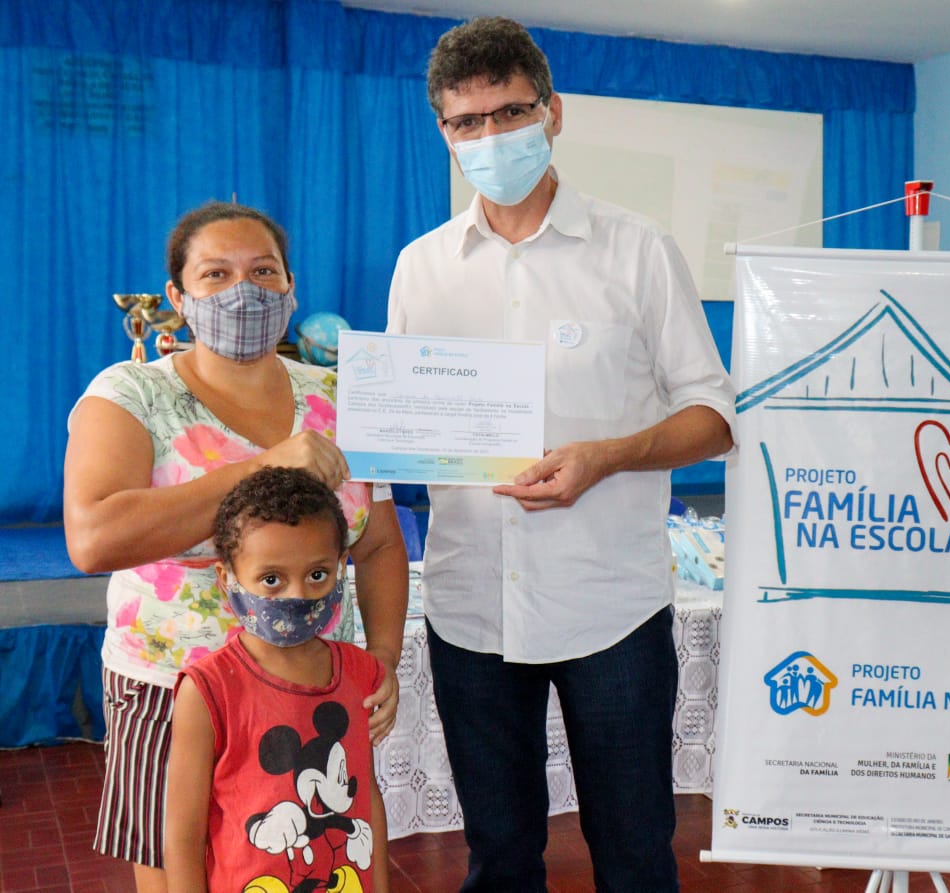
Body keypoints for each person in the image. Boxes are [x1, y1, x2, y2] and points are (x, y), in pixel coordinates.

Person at [386, 17, 735, 892]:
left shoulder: (637, 249)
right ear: (443, 132)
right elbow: (403, 426)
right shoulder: (420, 267)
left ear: (554, 113)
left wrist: (609, 455)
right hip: (470, 608)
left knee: (633, 852)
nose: (490, 137)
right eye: (467, 123)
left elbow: (716, 416)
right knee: (498, 858)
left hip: (609, 606)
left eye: (509, 113)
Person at [64, 201, 408, 893]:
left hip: (307, 692)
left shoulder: (346, 397)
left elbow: (377, 545)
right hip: (171, 687)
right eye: (215, 273)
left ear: (291, 288)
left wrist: (382, 658)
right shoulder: (131, 393)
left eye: (261, 271)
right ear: (177, 297)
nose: (241, 290)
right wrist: (261, 465)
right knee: (177, 867)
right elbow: (95, 536)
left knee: (302, 860)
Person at [164, 466, 390, 893]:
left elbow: (367, 797)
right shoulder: (206, 690)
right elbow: (182, 836)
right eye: (271, 579)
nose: (297, 596)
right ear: (227, 578)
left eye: (317, 575)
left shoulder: (361, 673)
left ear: (342, 565)